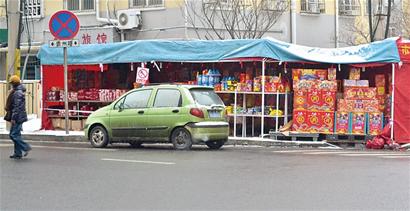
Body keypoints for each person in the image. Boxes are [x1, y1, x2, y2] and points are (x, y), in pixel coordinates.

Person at [4, 75, 31, 159]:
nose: (11, 85)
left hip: (17, 117)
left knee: (13, 135)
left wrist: (13, 118)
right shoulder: (17, 91)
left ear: (14, 83)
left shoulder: (17, 92)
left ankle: (25, 147)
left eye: (11, 83)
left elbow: (17, 107)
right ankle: (18, 153)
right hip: (18, 116)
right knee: (16, 135)